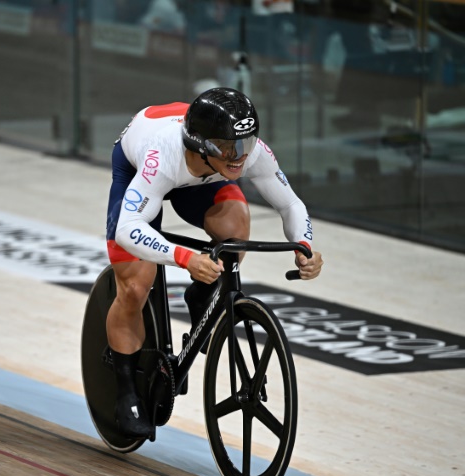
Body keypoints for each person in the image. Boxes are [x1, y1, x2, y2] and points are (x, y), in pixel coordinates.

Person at [105, 87, 323, 438]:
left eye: (246, 144)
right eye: (228, 148)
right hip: (141, 169)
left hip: (201, 174)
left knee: (236, 229)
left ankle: (203, 295)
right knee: (134, 287)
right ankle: (126, 391)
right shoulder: (162, 155)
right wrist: (185, 257)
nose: (239, 156)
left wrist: (305, 246)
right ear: (202, 145)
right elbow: (128, 230)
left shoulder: (247, 151)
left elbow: (291, 204)